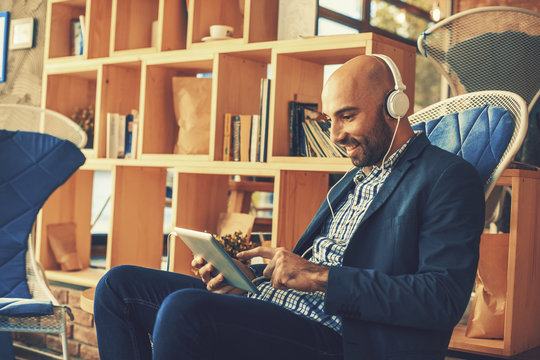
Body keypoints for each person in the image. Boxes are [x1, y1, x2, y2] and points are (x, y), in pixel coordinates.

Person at [94, 54, 485, 360]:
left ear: (395, 106)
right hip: (278, 307)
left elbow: (442, 298)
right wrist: (249, 277)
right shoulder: (355, 177)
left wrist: (320, 277)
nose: (335, 136)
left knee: (185, 309)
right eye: (329, 120)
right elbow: (317, 265)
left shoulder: (446, 177)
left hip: (344, 338)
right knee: (119, 285)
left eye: (347, 116)